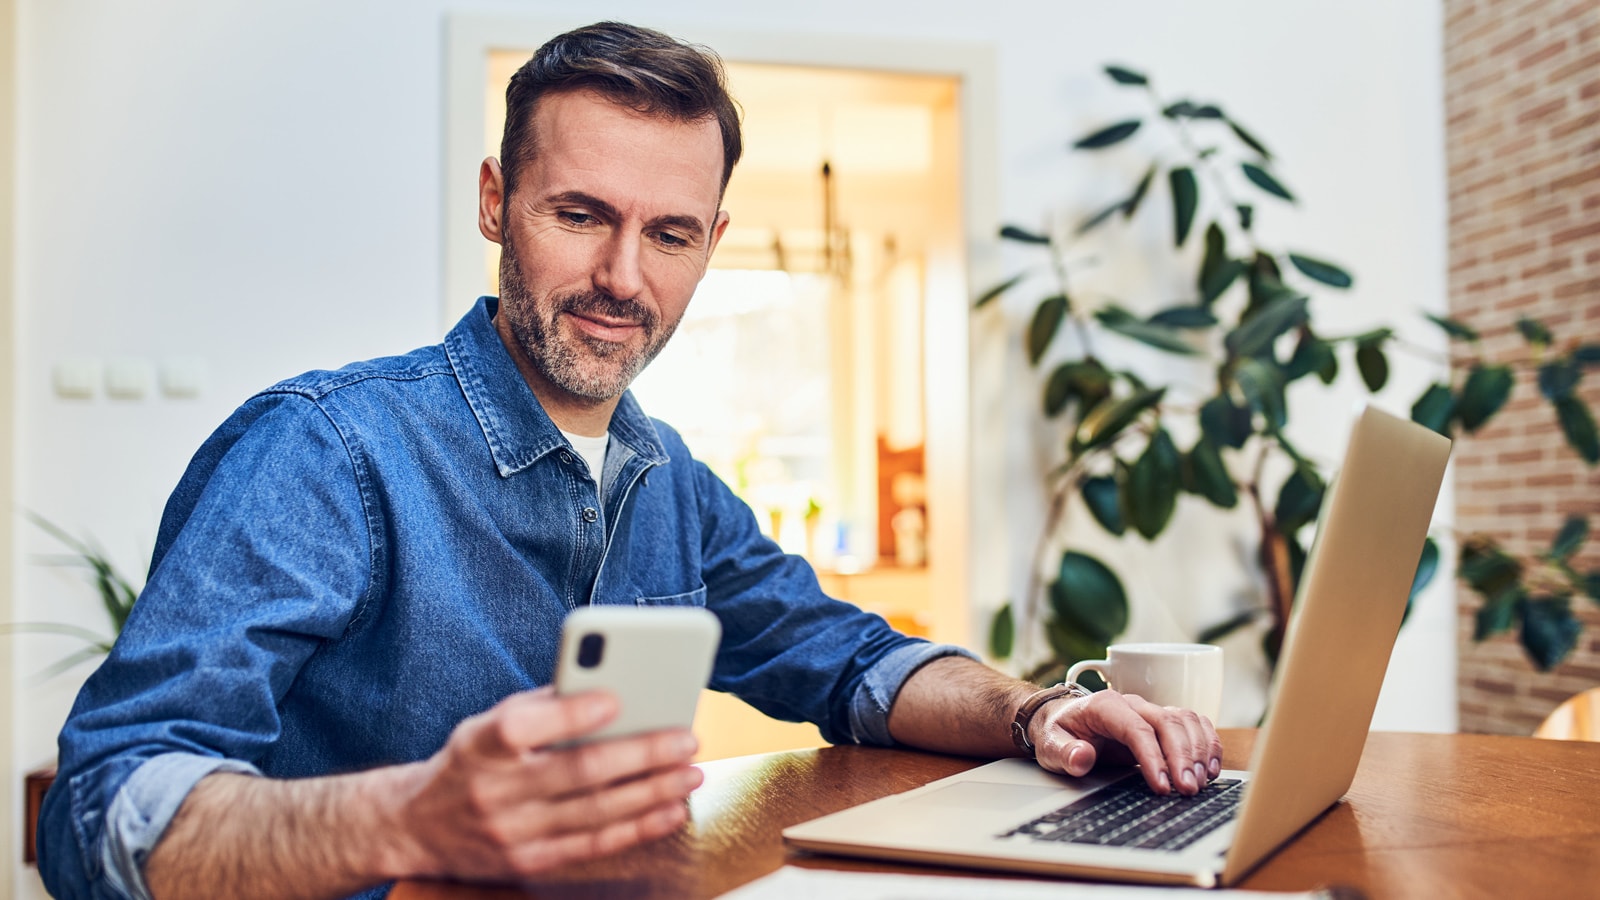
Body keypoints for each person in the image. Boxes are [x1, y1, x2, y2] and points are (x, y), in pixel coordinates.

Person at [38, 21, 1222, 900]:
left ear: (710, 242)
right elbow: (99, 815)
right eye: (579, 214)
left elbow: (849, 661)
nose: (622, 278)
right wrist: (412, 816)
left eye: (667, 235)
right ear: (499, 201)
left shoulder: (666, 480)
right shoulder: (323, 451)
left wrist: (1037, 714)